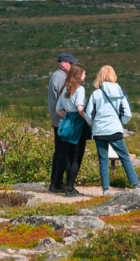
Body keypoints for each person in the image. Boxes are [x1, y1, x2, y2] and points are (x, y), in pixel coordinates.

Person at [85, 65, 140, 195]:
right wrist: (121, 123)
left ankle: (106, 189)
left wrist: (93, 123)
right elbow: (127, 112)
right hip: (115, 130)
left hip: (100, 131)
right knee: (124, 157)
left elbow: (88, 114)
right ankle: (137, 184)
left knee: (103, 160)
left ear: (100, 76)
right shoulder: (120, 91)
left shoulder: (96, 93)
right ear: (113, 75)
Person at [55, 63, 91, 197]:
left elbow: (58, 109)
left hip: (68, 123)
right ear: (78, 75)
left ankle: (68, 186)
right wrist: (87, 121)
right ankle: (71, 188)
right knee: (77, 157)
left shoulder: (65, 90)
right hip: (78, 124)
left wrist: (68, 118)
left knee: (69, 157)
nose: (85, 75)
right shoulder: (80, 89)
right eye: (83, 73)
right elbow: (80, 108)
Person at [47, 52, 78, 194]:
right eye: (71, 64)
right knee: (63, 152)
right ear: (63, 63)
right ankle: (56, 183)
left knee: (60, 151)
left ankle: (56, 182)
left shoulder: (57, 76)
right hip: (62, 120)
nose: (72, 66)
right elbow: (64, 99)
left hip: (58, 119)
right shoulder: (60, 77)